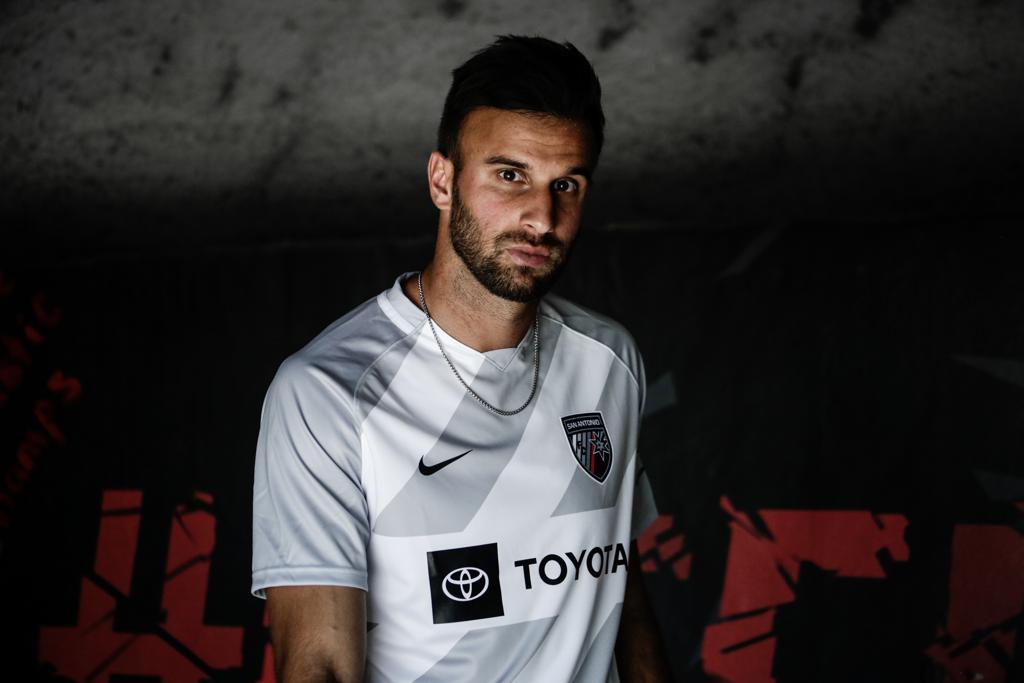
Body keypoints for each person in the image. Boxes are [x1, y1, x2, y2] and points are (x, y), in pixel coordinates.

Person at [252, 35, 670, 682]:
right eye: (510, 175)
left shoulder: (609, 358)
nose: (541, 217)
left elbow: (619, 588)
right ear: (442, 180)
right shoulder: (327, 391)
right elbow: (322, 665)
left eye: (566, 184)